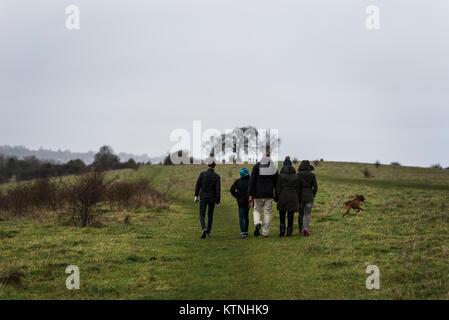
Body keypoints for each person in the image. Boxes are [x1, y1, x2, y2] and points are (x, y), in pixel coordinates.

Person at [248, 151, 279, 237]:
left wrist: (250, 193)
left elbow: (252, 181)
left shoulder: (256, 167)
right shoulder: (274, 167)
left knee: (256, 210)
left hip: (257, 193)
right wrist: (277, 195)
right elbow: (277, 183)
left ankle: (258, 223)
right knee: (267, 213)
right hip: (269, 194)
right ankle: (265, 232)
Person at [275, 156, 301, 237]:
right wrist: (298, 197)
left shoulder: (280, 176)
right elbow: (298, 188)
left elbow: (277, 188)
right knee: (291, 215)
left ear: (283, 165)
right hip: (293, 196)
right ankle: (289, 231)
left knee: (282, 214)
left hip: (282, 195)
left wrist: (276, 197)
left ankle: (282, 230)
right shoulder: (296, 176)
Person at [194, 161, 221, 239]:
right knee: (210, 215)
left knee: (202, 215)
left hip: (203, 197)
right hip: (212, 198)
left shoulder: (202, 174)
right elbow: (218, 190)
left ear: (208, 165)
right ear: (214, 166)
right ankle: (208, 233)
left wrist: (196, 196)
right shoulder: (217, 176)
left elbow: (198, 185)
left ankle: (204, 229)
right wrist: (218, 201)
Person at [297, 160, 318, 237]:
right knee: (308, 214)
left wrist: (298, 195)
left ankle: (300, 230)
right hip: (309, 196)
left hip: (300, 196)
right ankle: (305, 228)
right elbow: (316, 187)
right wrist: (313, 194)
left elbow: (297, 187)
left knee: (300, 214)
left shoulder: (298, 175)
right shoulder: (312, 175)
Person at [230, 168, 251, 238]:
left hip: (240, 201)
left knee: (241, 217)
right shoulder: (250, 181)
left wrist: (237, 196)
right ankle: (246, 232)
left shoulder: (238, 181)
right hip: (248, 201)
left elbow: (232, 189)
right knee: (246, 216)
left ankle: (242, 232)